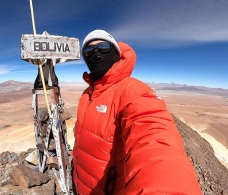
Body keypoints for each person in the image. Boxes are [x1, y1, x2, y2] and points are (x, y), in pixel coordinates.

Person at [72, 29, 201, 195]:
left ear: (116, 53)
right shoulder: (86, 94)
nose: (96, 54)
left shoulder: (132, 90)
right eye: (89, 51)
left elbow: (154, 137)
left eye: (103, 47)